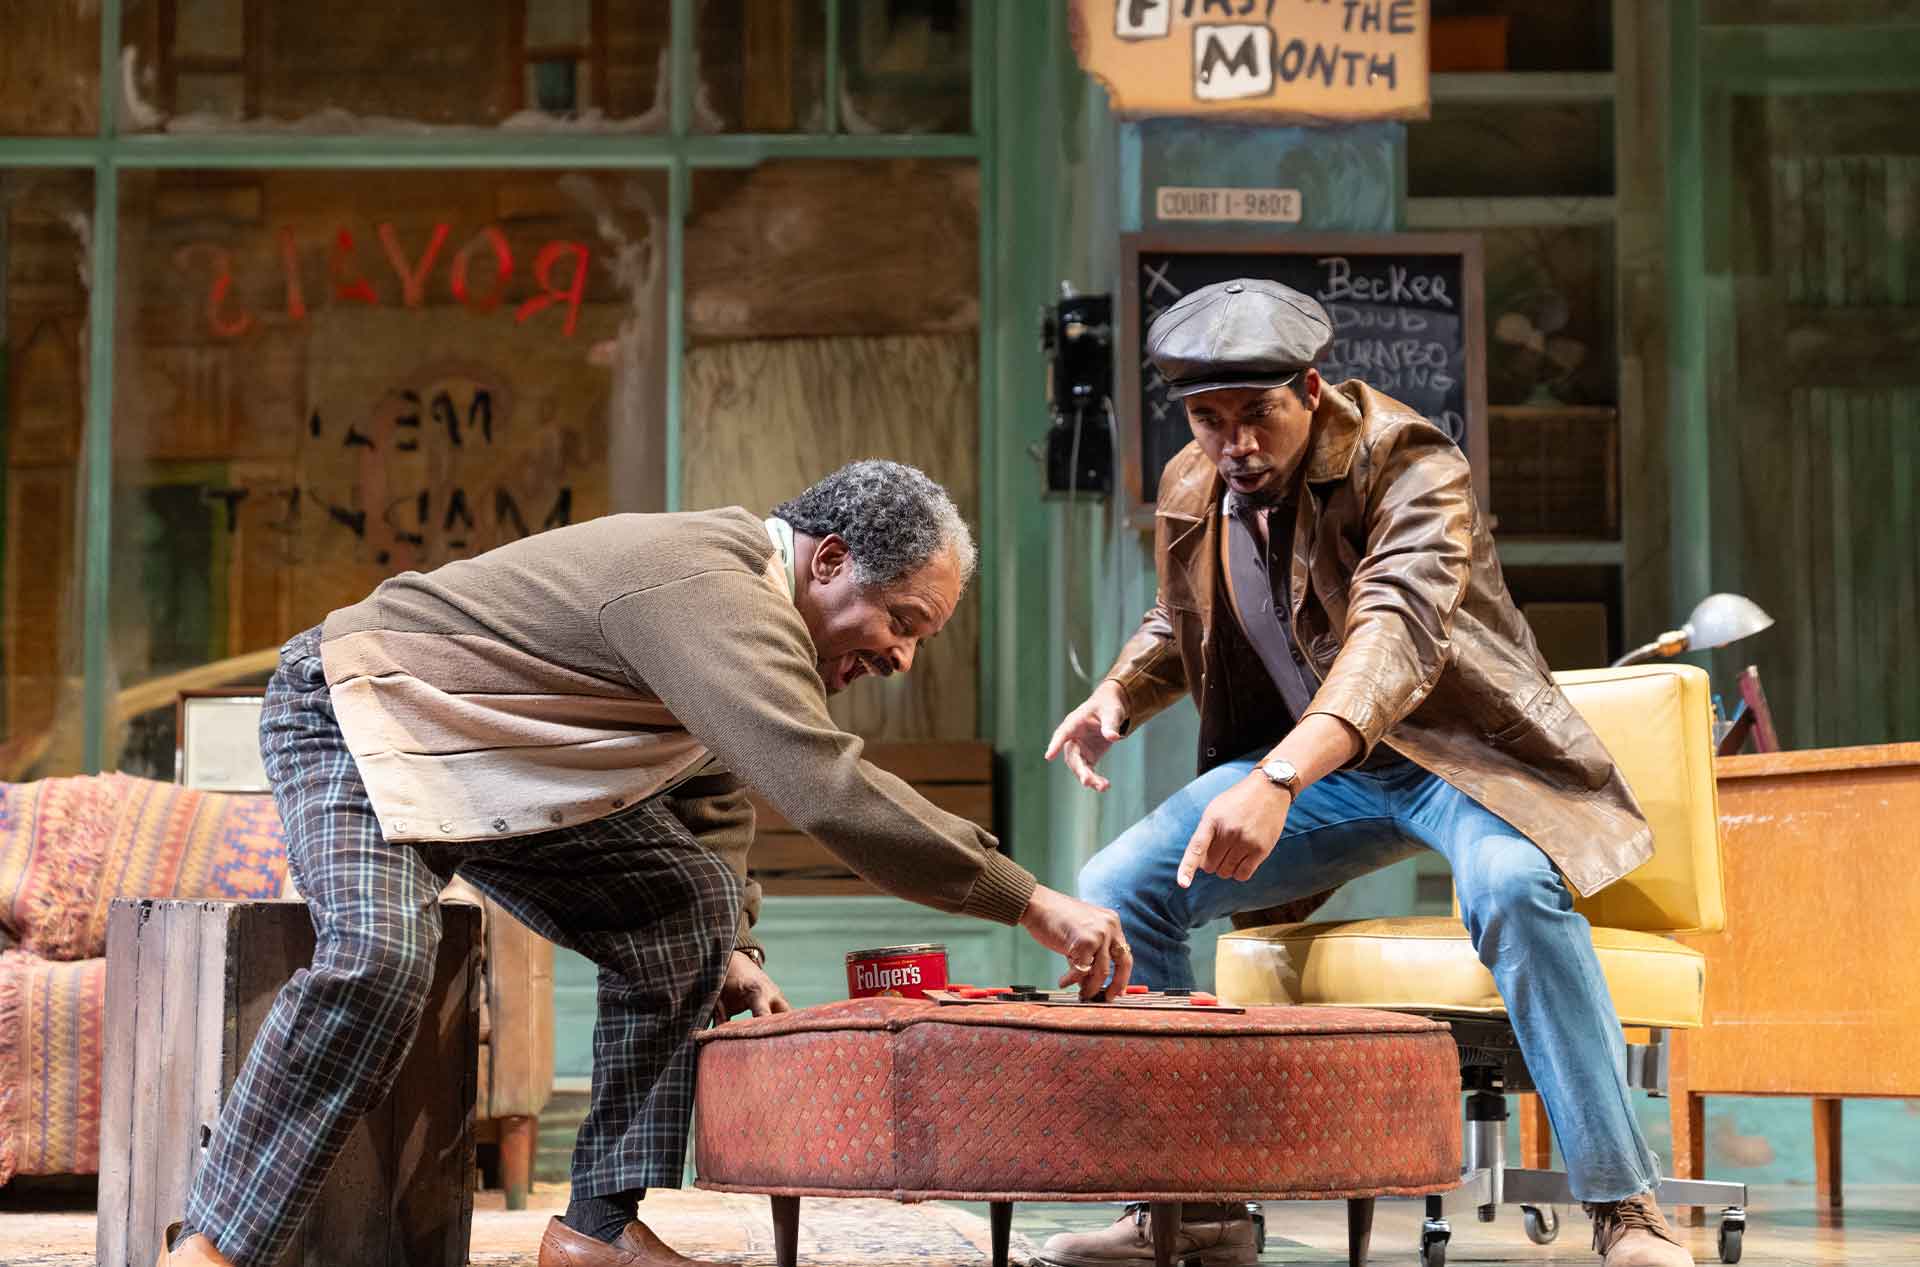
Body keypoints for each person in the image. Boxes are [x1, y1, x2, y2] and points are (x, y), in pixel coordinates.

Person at [160, 460, 1131, 1267]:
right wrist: (1030, 899)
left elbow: (709, 790)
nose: (903, 658)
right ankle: (213, 1246)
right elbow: (824, 787)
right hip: (357, 716)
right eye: (905, 622)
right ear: (828, 559)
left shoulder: (740, 615)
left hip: (499, 767)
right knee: (380, 954)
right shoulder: (714, 589)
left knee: (685, 910)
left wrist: (733, 947)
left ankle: (598, 1231)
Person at [1038, 280, 1691, 1267]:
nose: (1234, 445)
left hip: (1461, 758)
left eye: (1255, 415)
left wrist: (1279, 779)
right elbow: (1183, 617)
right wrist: (1119, 698)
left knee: (1514, 885)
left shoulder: (1410, 463)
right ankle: (1189, 1209)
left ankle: (1627, 1208)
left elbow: (1394, 633)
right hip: (1333, 777)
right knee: (1121, 889)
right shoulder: (1194, 481)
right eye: (1210, 421)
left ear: (1311, 389)